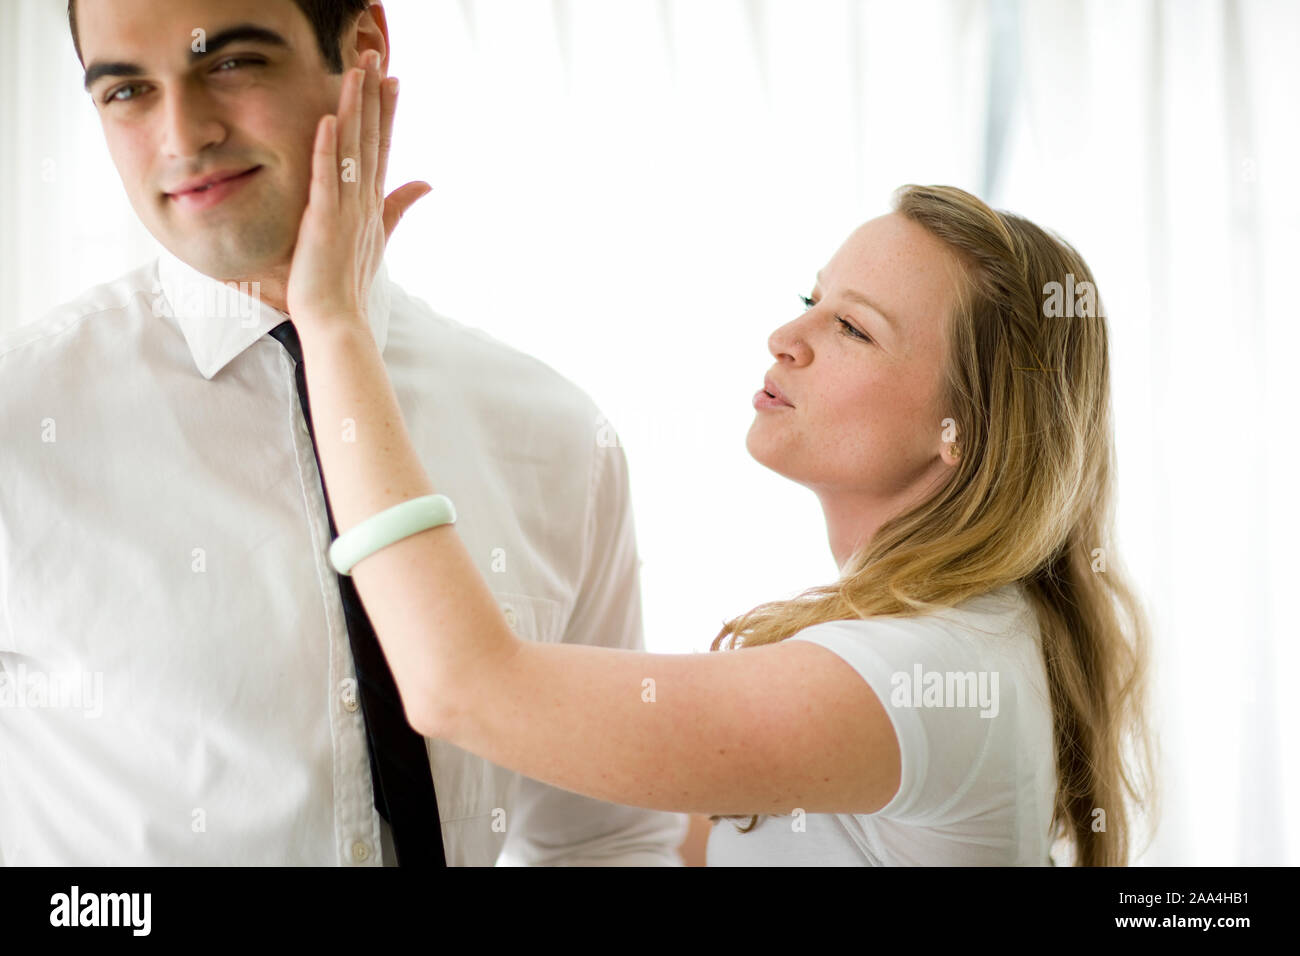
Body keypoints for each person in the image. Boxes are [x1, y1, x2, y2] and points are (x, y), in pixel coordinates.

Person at [282, 53, 1159, 865]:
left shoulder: (919, 675)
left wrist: (333, 325)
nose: (786, 337)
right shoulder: (959, 639)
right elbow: (677, 833)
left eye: (852, 328)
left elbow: (459, 688)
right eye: (811, 300)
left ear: (960, 432)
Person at [0, 0, 689, 866]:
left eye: (230, 64)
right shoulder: (20, 426)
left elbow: (605, 836)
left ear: (362, 49)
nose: (183, 135)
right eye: (128, 90)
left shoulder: (554, 434)